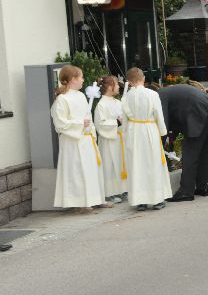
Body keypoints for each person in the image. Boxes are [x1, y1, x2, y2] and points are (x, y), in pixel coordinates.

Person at [50, 65, 110, 213]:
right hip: (73, 141)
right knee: (78, 171)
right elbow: (60, 123)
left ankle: (96, 198)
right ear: (72, 79)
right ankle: (81, 201)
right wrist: (79, 124)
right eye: (81, 77)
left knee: (91, 169)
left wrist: (92, 131)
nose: (83, 80)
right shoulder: (62, 100)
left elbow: (88, 117)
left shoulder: (81, 96)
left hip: (86, 138)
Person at [159, 84, 208, 201]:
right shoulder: (167, 92)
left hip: (198, 111)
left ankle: (186, 191)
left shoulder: (159, 96)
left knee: (190, 152)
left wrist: (159, 146)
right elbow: (173, 120)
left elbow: (164, 124)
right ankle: (202, 186)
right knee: (204, 150)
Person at [121, 68, 172, 211]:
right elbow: (158, 114)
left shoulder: (125, 97)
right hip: (149, 129)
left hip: (133, 131)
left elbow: (124, 119)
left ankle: (140, 201)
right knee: (152, 163)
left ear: (129, 82)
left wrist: (125, 134)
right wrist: (163, 132)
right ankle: (156, 200)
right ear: (143, 79)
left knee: (136, 164)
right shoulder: (152, 94)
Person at [94, 75, 127, 204]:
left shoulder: (118, 102)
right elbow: (100, 124)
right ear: (109, 87)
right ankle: (110, 192)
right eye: (116, 84)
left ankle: (124, 189)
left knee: (121, 162)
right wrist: (116, 122)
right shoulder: (101, 105)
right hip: (109, 140)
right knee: (110, 165)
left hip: (120, 138)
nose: (119, 86)